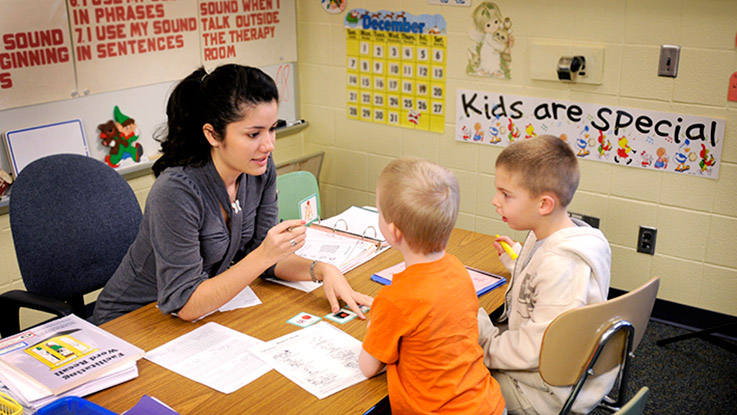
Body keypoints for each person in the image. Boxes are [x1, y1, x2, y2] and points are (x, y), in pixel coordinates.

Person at [94, 64, 372, 325]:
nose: (268, 145)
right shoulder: (175, 192)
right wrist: (265, 254)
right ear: (213, 135)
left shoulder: (258, 170)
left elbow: (262, 255)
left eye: (272, 129)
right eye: (253, 134)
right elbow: (186, 303)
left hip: (193, 318)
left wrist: (321, 270)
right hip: (132, 322)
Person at [477, 135, 614, 415]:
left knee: (450, 378)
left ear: (544, 205)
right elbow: (544, 280)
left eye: (505, 194)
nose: (495, 201)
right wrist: (519, 262)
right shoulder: (553, 233)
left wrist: (486, 342)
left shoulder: (563, 264)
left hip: (544, 393)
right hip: (543, 370)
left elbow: (536, 348)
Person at [359, 158, 506, 415]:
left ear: (393, 232)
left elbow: (368, 367)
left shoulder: (395, 299)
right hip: (488, 404)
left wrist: (376, 324)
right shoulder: (457, 270)